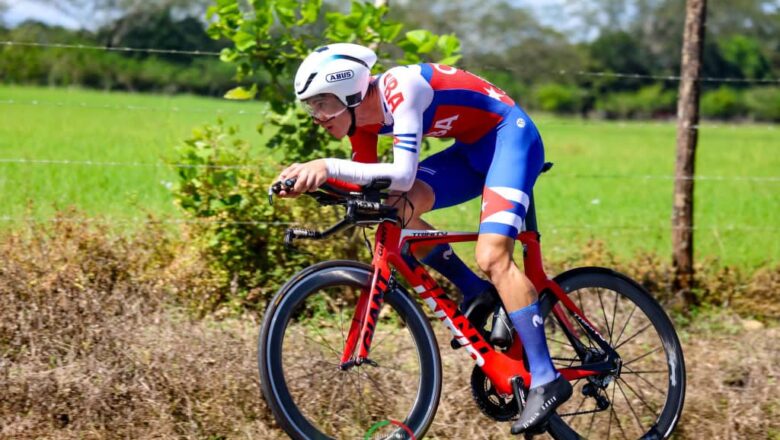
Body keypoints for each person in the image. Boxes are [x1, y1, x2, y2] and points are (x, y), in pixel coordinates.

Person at [275, 43, 571, 435]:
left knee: (493, 256)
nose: (317, 117)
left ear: (348, 92)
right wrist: (312, 184)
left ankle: (547, 378)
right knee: (394, 212)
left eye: (322, 104)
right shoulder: (360, 123)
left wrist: (325, 166)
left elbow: (400, 172)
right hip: (468, 153)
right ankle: (476, 293)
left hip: (510, 140)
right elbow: (371, 185)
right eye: (311, 107)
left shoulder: (402, 88)